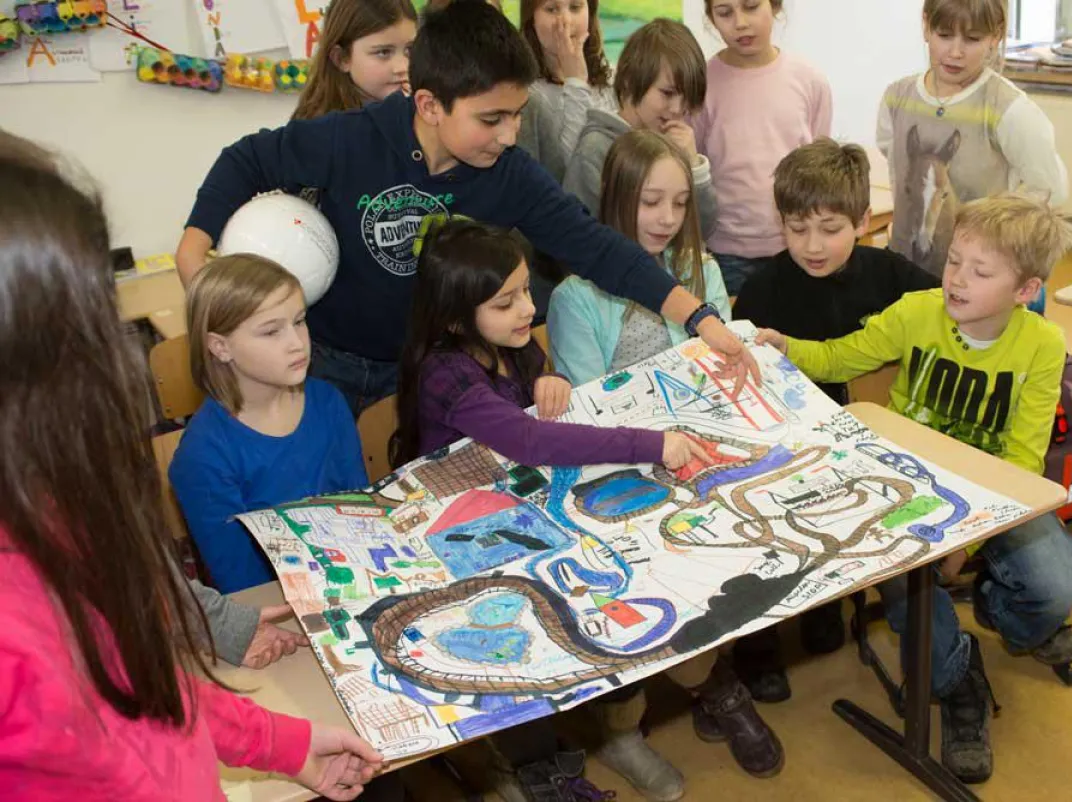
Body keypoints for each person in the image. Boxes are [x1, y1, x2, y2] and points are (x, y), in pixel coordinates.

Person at [0, 132, 382, 801]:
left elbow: (144, 684)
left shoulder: (56, 508)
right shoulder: (198, 456)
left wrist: (278, 742)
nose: (111, 363)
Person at [177, 0, 756, 417]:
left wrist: (701, 318)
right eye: (491, 119)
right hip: (323, 362)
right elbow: (245, 160)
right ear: (430, 104)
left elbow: (599, 249)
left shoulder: (508, 174)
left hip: (426, 369)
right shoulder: (350, 139)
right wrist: (192, 251)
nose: (509, 135)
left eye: (517, 115)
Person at [395, 218, 781, 800]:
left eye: (526, 290)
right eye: (507, 302)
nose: (529, 309)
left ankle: (644, 717)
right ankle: (531, 766)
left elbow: (533, 404)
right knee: (529, 636)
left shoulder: (510, 343)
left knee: (635, 581)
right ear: (454, 318)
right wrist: (651, 444)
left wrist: (548, 378)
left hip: (534, 511)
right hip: (468, 541)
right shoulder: (444, 371)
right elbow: (528, 440)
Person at [757, 193, 1072, 784]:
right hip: (906, 488)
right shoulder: (918, 310)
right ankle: (958, 680)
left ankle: (1001, 611)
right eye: (954, 260)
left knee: (1061, 585)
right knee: (910, 592)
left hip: (994, 492)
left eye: (980, 271)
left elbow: (1023, 459)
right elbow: (840, 358)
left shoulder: (1043, 344)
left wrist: (969, 539)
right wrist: (786, 347)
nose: (956, 279)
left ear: (1025, 290)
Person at [729, 137, 939, 702]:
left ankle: (829, 603)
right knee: (768, 529)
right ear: (780, 223)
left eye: (830, 228)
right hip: (787, 446)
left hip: (871, 440)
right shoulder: (763, 289)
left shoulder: (892, 276)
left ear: (863, 221)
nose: (813, 245)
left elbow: (945, 314)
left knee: (846, 523)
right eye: (797, 229)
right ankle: (759, 646)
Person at [170, 255, 369, 594]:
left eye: (299, 321)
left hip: (355, 579)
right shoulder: (203, 456)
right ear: (220, 347)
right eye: (272, 331)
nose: (297, 343)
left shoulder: (328, 402)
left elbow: (361, 514)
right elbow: (245, 587)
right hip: (279, 604)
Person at [878, 0, 1067, 278]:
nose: (955, 52)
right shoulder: (897, 97)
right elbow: (895, 162)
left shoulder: (1008, 108)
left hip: (974, 277)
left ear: (996, 36)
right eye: (944, 35)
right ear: (926, 26)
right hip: (903, 265)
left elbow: (1049, 189)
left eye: (972, 39)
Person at [548, 130, 728, 385]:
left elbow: (721, 365)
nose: (668, 219)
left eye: (680, 203)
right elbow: (589, 397)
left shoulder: (703, 270)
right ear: (614, 196)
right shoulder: (575, 297)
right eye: (651, 202)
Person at [693, 0, 832, 295]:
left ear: (775, 6)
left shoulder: (809, 80)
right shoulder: (701, 84)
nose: (740, 23)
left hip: (798, 247)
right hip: (726, 254)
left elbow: (823, 174)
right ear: (711, 18)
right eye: (725, 13)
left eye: (751, 6)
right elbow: (693, 173)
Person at [562, 18, 718, 237]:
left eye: (687, 98)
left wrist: (694, 167)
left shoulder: (673, 143)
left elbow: (703, 229)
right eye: (667, 93)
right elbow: (576, 236)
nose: (677, 109)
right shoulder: (595, 150)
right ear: (629, 81)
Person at [292, 0, 419, 121]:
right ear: (342, 58)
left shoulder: (415, 108)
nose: (403, 67)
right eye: (383, 52)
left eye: (410, 49)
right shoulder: (319, 128)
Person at [521, 0, 616, 159]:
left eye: (575, 8)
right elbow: (573, 166)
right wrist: (576, 81)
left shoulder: (611, 78)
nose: (566, 20)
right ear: (532, 18)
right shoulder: (527, 94)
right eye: (552, 9)